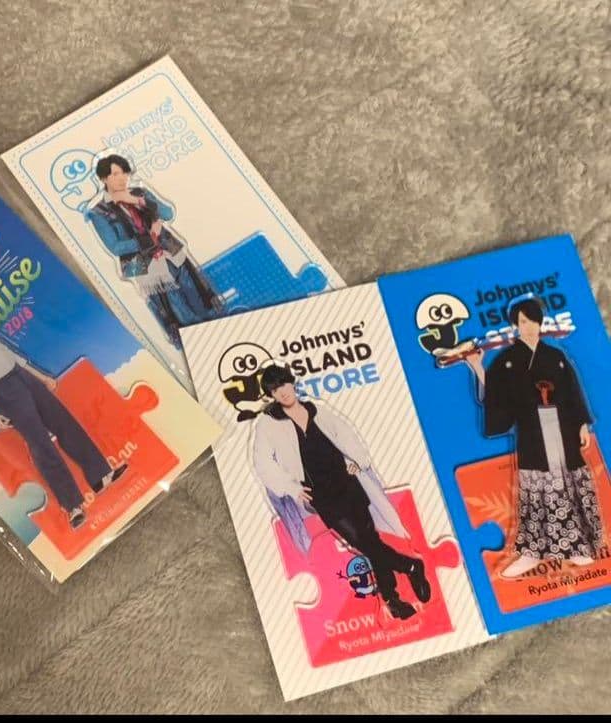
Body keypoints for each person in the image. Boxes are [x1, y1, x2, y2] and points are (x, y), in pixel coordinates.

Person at [0, 292, 127, 530]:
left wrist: (41, 377)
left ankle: (101, 475)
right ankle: (73, 506)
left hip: (22, 376)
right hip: (1, 391)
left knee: (64, 422)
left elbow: (7, 352)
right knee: (40, 443)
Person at [252, 364, 431, 619]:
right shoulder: (268, 424)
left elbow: (346, 436)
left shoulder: (317, 410)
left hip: (348, 483)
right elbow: (262, 463)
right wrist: (291, 488)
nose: (282, 392)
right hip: (320, 494)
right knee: (363, 542)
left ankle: (392, 598)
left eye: (283, 384)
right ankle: (410, 566)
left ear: (292, 382)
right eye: (274, 389)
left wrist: (356, 460)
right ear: (271, 395)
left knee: (370, 541)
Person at [466, 296, 603, 578]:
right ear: (515, 325)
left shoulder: (556, 357)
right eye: (522, 322)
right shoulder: (507, 361)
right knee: (537, 491)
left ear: (540, 323)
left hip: (562, 429)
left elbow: (572, 391)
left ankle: (576, 546)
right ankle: (531, 552)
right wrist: (477, 367)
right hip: (532, 432)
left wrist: (581, 424)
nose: (527, 327)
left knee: (568, 483)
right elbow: (494, 396)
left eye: (531, 321)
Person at [87, 154, 223, 348]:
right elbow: (115, 247)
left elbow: (167, 213)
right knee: (178, 312)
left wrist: (138, 201)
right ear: (103, 178)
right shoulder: (98, 212)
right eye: (115, 174)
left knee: (200, 299)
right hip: (144, 268)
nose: (122, 178)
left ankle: (221, 333)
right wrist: (148, 238)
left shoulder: (139, 193)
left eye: (124, 173)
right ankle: (197, 346)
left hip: (172, 254)